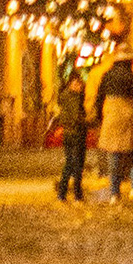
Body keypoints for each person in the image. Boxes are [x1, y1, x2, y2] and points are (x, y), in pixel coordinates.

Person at [94, 53, 133, 201]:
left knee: (114, 156)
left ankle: (114, 193)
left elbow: (99, 99)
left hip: (112, 118)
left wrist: (99, 119)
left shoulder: (107, 77)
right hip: (130, 118)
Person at [51, 69, 91, 201]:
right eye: (77, 83)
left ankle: (64, 193)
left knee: (71, 163)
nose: (79, 86)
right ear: (71, 84)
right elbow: (76, 117)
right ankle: (75, 194)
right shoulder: (73, 98)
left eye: (80, 84)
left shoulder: (65, 96)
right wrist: (89, 122)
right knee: (76, 165)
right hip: (76, 133)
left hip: (69, 134)